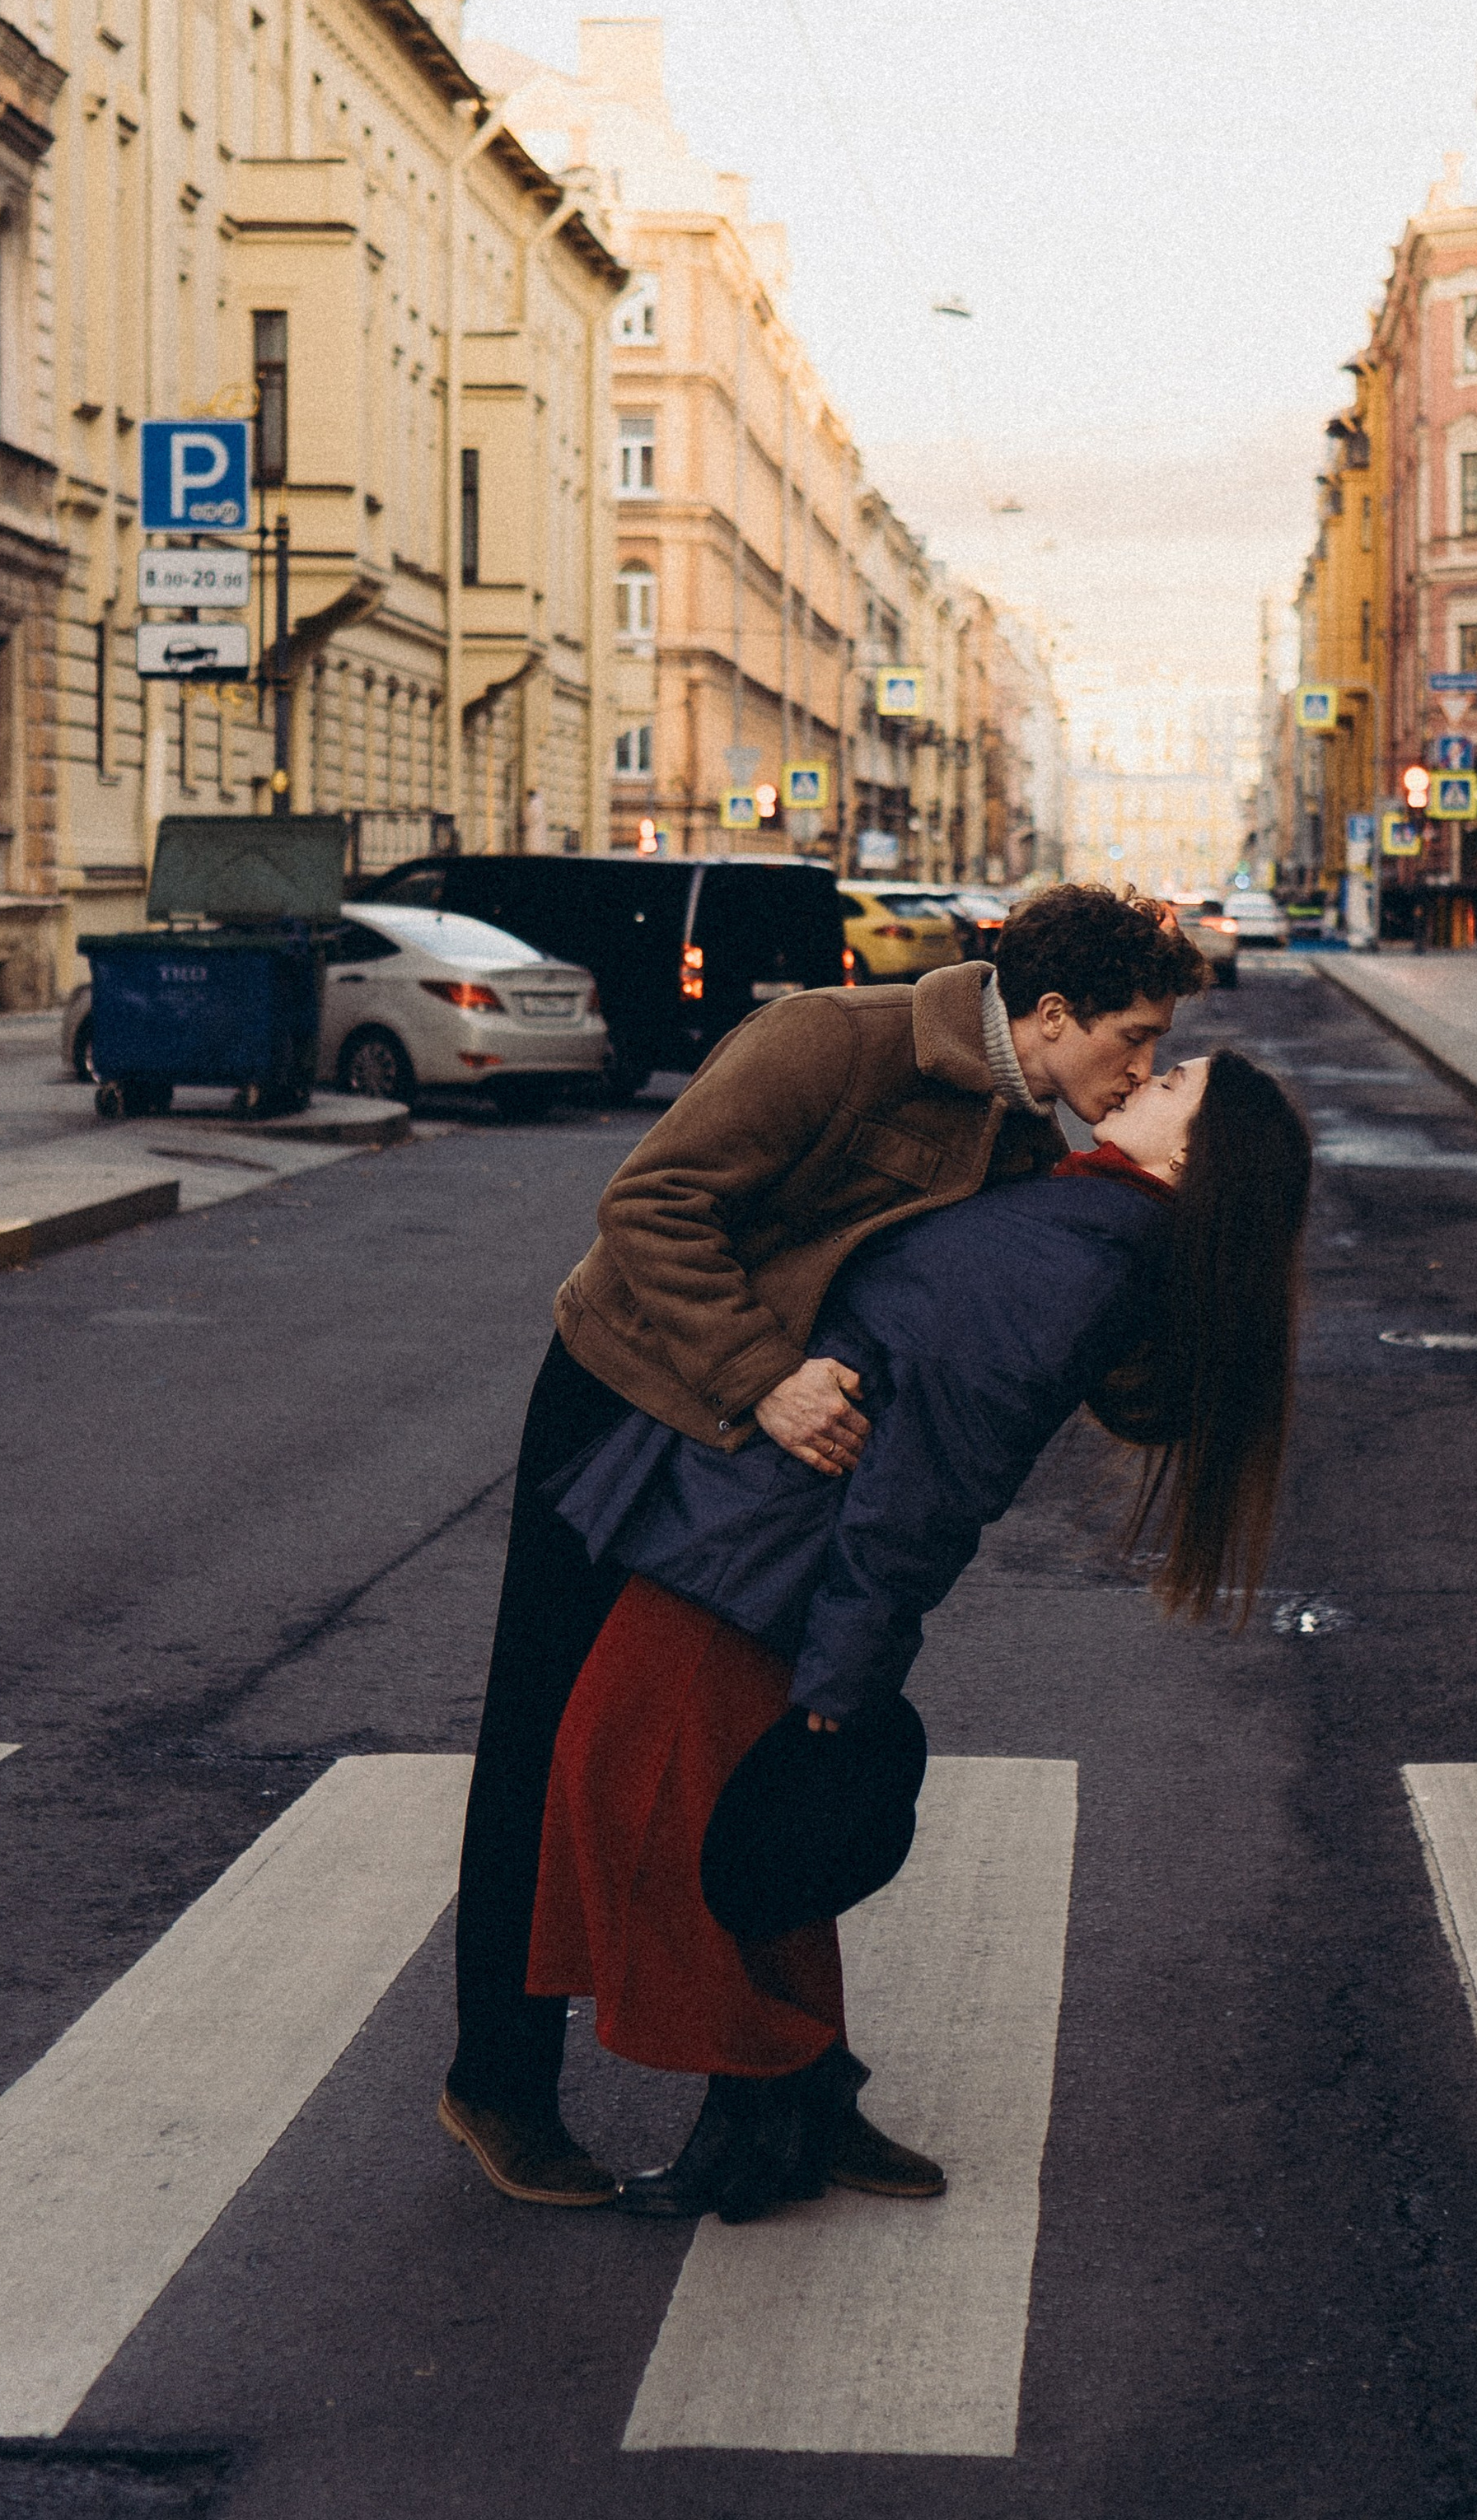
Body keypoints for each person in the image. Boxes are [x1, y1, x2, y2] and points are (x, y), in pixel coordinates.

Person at [440, 883, 1209, 2210]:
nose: (1140, 1066)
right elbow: (651, 1206)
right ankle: (497, 2088)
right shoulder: (833, 1042)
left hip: (760, 1465)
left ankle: (802, 2088)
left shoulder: (1028, 1133)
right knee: (543, 1738)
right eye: (1132, 1037)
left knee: (768, 1761)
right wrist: (766, 1377)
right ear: (1051, 1013)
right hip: (628, 1396)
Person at [526, 1047, 1315, 2225]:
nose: (1149, 1071)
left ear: (1192, 1154)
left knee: (631, 1806)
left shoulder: (1078, 1264)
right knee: (730, 1828)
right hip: (757, 1532)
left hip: (761, 1554)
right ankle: (812, 2090)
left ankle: (764, 2096)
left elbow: (926, 1486)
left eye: (1176, 1077)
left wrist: (843, 1677)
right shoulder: (1090, 1214)